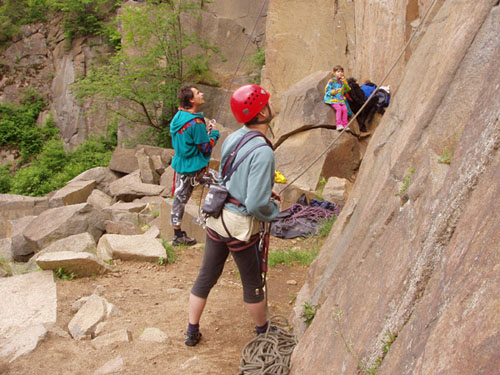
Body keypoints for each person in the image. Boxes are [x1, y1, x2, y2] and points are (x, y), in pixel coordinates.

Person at [184, 84, 281, 347]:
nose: (271, 105)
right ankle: (263, 331)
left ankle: (191, 331)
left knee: (206, 276)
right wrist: (273, 211)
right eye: (267, 103)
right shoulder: (263, 151)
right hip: (238, 225)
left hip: (217, 217)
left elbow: (231, 174)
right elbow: (256, 204)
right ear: (261, 113)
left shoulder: (234, 137)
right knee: (253, 282)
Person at [170, 85, 220, 246]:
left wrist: (204, 134)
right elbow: (205, 147)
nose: (202, 94)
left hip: (182, 165)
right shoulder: (196, 122)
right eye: (198, 93)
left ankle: (177, 233)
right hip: (196, 168)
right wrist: (214, 134)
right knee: (224, 185)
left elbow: (190, 140)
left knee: (179, 198)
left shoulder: (178, 117)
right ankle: (223, 224)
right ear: (191, 100)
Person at [324, 65, 351, 131]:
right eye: (338, 71)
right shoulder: (332, 81)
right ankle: (339, 124)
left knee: (345, 110)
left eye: (341, 71)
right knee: (339, 109)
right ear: (334, 73)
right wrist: (333, 91)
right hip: (333, 98)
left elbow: (347, 89)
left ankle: (345, 124)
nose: (340, 73)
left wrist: (344, 82)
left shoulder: (342, 81)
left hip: (341, 99)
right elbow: (327, 89)